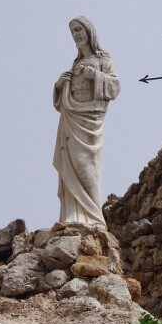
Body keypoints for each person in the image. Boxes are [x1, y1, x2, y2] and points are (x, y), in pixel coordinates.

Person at [53, 16, 120, 227]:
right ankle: (72, 215)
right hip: (71, 117)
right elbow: (58, 100)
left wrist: (94, 75)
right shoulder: (74, 65)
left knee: (86, 165)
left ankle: (93, 216)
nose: (76, 34)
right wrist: (59, 85)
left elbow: (115, 87)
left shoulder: (103, 60)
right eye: (73, 31)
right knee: (70, 165)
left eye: (79, 29)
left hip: (90, 119)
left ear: (89, 32)